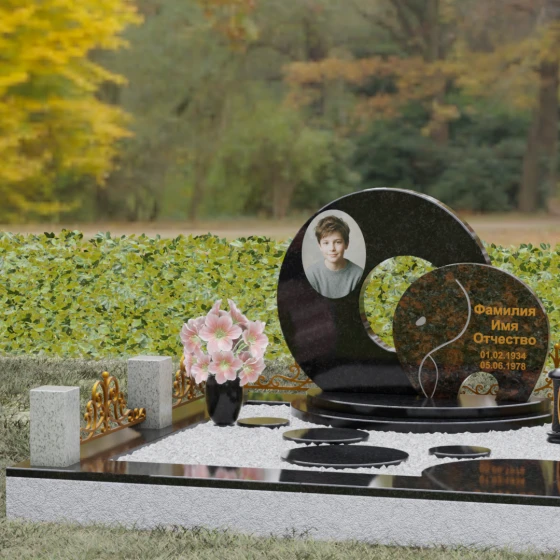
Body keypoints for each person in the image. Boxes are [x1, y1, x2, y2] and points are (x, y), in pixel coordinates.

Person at [306, 215, 363, 298]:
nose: (332, 248)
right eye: (326, 243)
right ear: (320, 246)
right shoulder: (311, 275)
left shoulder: (358, 275)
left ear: (346, 244)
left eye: (338, 242)